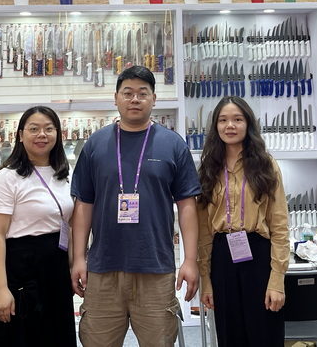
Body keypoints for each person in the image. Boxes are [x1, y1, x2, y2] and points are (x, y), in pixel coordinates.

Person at [71, 65, 201, 347]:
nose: (135, 99)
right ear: (116, 98)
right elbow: (83, 205)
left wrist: (190, 260)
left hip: (155, 269)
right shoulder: (95, 144)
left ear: (154, 99)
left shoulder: (173, 144)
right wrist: (79, 257)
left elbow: (187, 206)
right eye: (127, 93)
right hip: (103, 269)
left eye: (143, 93)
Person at [197, 95, 290, 347]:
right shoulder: (208, 168)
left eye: (237, 119)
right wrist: (206, 280)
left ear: (248, 124)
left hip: (258, 255)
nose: (230, 125)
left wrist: (277, 280)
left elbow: (280, 225)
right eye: (223, 120)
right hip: (222, 257)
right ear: (216, 126)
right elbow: (204, 231)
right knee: (230, 337)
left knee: (264, 335)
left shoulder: (266, 165)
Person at [0, 106, 76, 346]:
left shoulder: (64, 173)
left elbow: (68, 224)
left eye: (49, 129)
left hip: (56, 269)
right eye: (34, 129)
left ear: (58, 134)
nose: (42, 135)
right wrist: (0, 289)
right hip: (21, 271)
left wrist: (73, 266)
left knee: (56, 337)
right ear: (20, 135)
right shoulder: (8, 177)